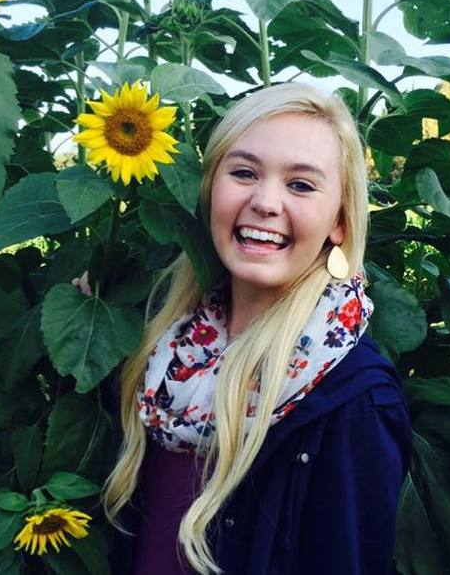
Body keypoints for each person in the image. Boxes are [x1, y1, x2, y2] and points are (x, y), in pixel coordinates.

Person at [98, 83, 412, 574]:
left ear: (340, 222)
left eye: (301, 185)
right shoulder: (170, 350)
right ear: (209, 192)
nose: (265, 202)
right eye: (243, 173)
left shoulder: (354, 400)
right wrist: (93, 311)